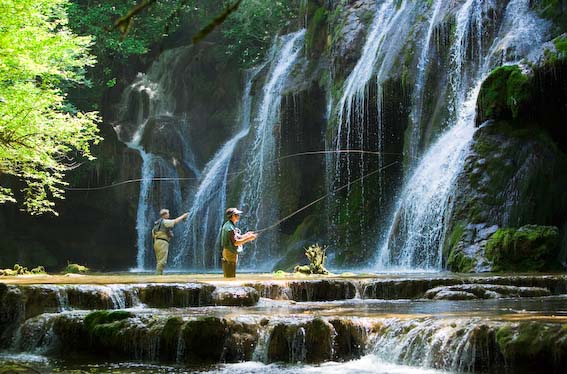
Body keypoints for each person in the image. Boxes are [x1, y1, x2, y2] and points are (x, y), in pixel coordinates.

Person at [220, 207, 257, 278]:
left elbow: (236, 237)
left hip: (228, 252)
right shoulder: (230, 228)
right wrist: (248, 238)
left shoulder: (229, 225)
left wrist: (246, 235)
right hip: (230, 253)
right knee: (230, 275)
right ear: (233, 215)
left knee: (229, 274)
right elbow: (236, 242)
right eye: (237, 214)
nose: (239, 216)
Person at [152, 208, 188, 275]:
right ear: (164, 215)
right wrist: (183, 216)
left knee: (159, 261)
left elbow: (154, 234)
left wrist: (167, 233)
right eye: (168, 213)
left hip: (157, 242)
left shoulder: (157, 223)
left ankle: (159, 274)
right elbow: (175, 221)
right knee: (162, 261)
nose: (169, 215)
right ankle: (158, 276)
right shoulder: (165, 221)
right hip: (162, 243)